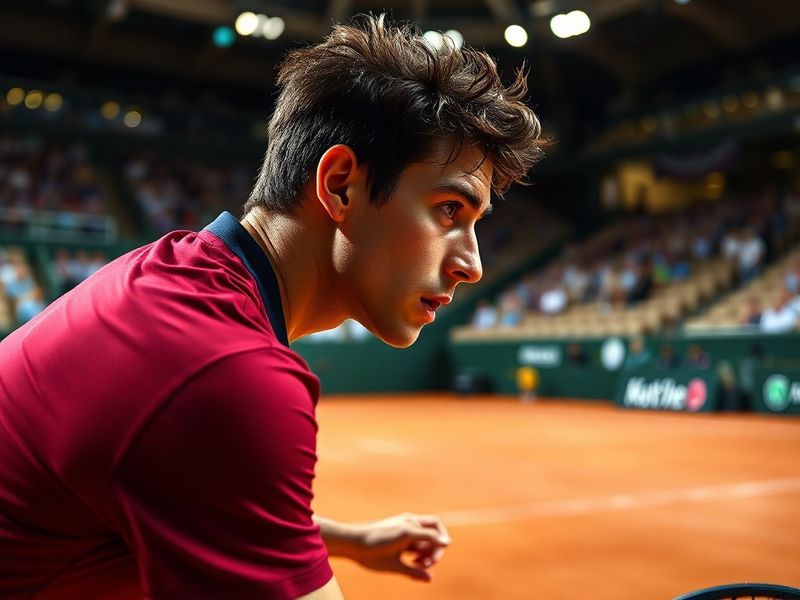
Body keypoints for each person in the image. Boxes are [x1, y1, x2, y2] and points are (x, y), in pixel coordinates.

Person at [0, 15, 543, 600]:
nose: (473, 265)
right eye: (448, 211)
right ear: (339, 185)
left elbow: (186, 481)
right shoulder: (228, 374)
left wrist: (340, 540)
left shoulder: (173, 276)